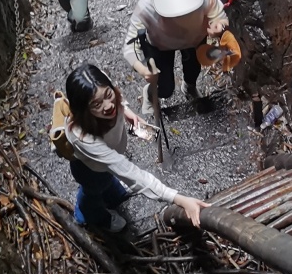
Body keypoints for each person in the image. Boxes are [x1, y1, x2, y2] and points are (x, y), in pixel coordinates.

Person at [64, 63, 207, 232]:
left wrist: (126, 112)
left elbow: (116, 96)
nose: (109, 105)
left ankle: (113, 195)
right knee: (92, 191)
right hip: (90, 169)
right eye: (96, 105)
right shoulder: (82, 137)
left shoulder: (100, 83)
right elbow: (129, 172)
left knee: (109, 183)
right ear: (83, 110)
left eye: (108, 95)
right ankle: (90, 215)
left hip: (110, 159)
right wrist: (178, 199)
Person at [122, 0, 229, 115]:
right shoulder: (146, 7)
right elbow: (130, 45)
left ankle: (189, 87)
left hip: (195, 41)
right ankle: (151, 93)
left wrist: (219, 26)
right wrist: (143, 69)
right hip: (160, 45)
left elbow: (218, 15)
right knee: (165, 88)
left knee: (193, 70)